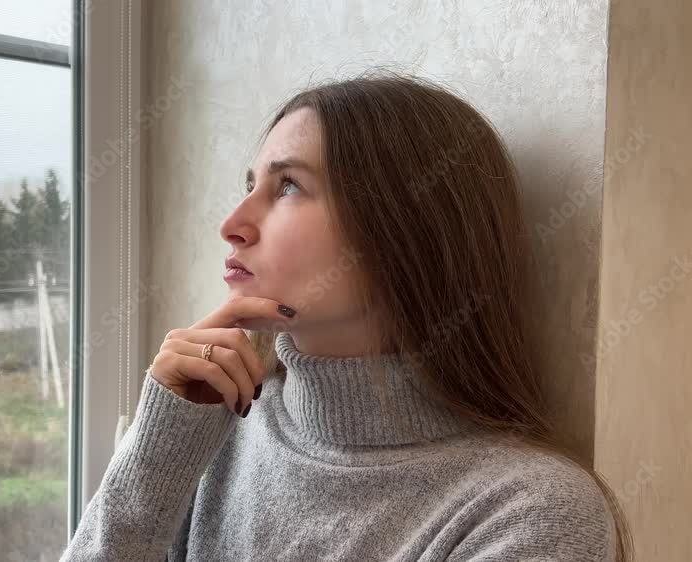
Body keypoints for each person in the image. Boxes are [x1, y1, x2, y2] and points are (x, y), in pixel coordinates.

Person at [60, 72, 629, 561]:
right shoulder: (207, 434)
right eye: (251, 185)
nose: (232, 224)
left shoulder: (531, 512)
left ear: (406, 230)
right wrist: (154, 452)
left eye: (288, 186)